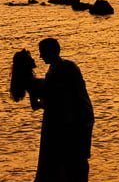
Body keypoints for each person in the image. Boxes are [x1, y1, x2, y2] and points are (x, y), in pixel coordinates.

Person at [10, 38, 94, 182]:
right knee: (72, 162)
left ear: (51, 51)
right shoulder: (61, 68)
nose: (40, 56)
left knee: (73, 161)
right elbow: (47, 96)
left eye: (42, 52)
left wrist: (33, 86)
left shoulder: (62, 70)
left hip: (75, 121)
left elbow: (51, 95)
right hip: (72, 120)